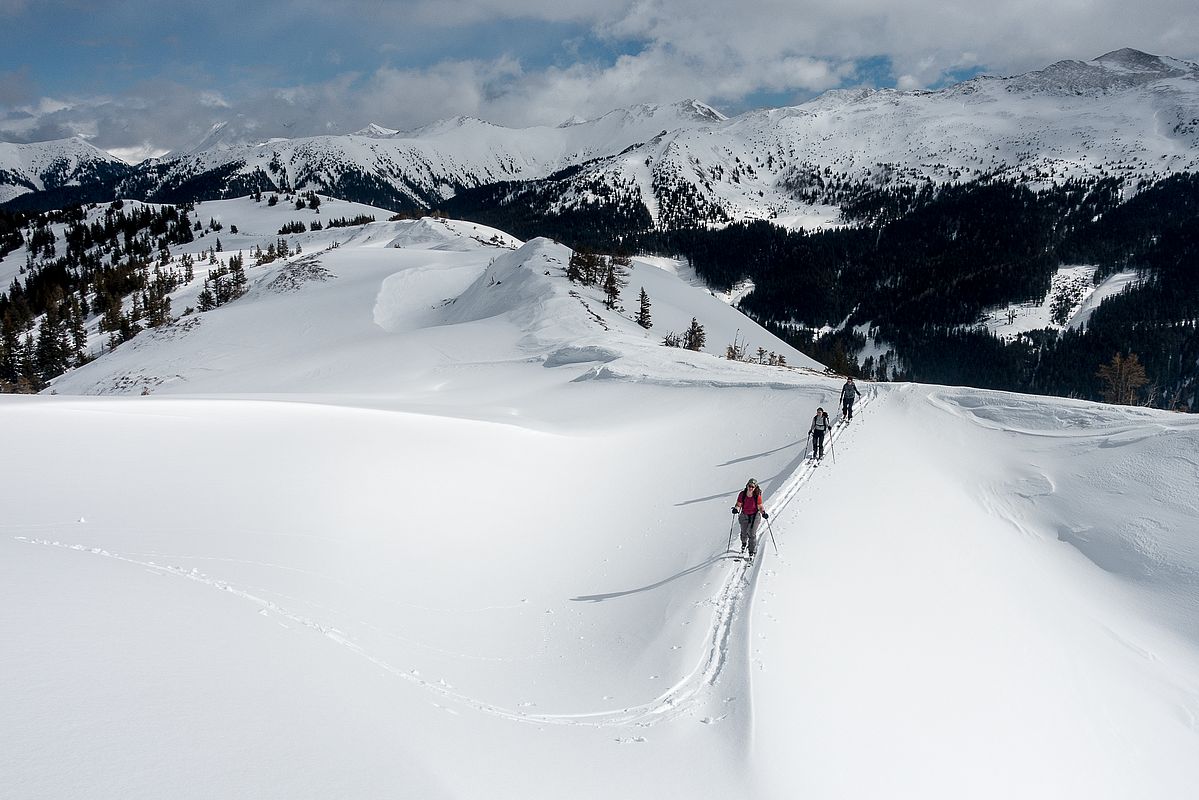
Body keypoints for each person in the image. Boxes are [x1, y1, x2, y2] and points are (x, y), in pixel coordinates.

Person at [731, 478, 768, 559]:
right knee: (744, 533)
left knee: (752, 533)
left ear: (755, 488)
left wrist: (763, 513)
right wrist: (736, 509)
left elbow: (760, 506)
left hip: (754, 516)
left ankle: (751, 551)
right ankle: (744, 544)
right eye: (749, 486)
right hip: (744, 515)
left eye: (752, 486)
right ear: (747, 486)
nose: (751, 488)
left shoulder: (757, 496)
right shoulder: (742, 494)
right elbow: (738, 504)